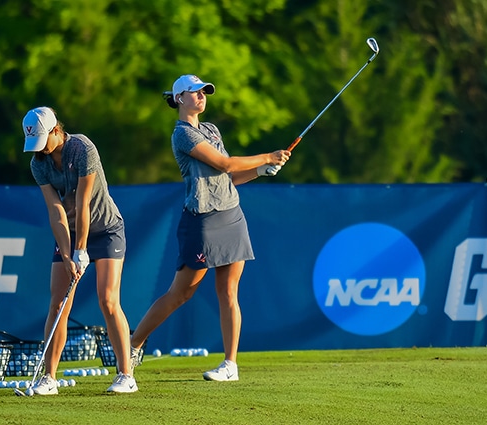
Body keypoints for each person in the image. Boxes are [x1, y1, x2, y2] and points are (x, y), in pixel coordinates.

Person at [127, 74, 290, 381]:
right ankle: (133, 344)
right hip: (201, 220)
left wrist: (260, 170)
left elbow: (229, 178)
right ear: (179, 99)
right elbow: (225, 164)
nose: (202, 96)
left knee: (229, 292)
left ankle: (230, 365)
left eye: (204, 92)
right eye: (195, 92)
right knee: (180, 293)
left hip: (231, 215)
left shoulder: (211, 130)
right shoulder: (183, 135)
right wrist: (267, 155)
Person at [22, 106, 137, 394]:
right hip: (70, 232)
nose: (41, 149)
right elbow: (56, 211)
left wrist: (81, 250)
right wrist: (66, 253)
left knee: (108, 300)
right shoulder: (39, 163)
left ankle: (126, 375)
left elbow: (84, 202)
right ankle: (49, 378)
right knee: (58, 304)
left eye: (42, 139)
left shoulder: (82, 148)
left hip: (106, 228)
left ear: (56, 131)